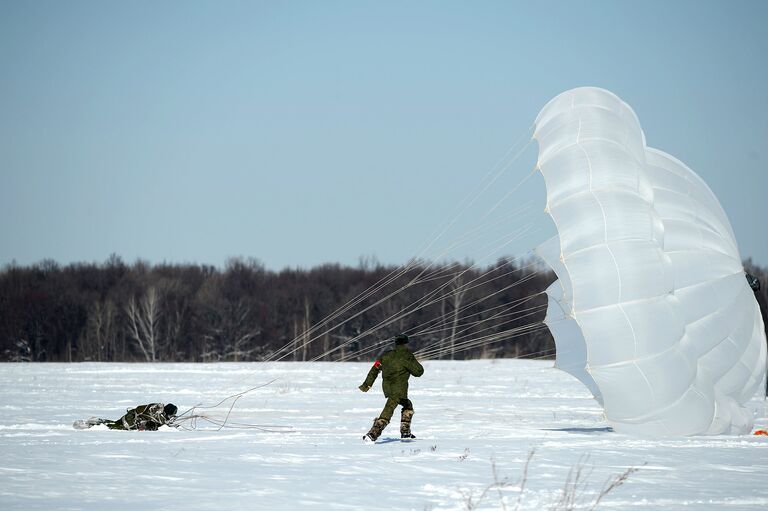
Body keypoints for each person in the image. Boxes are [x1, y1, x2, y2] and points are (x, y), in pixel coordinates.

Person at [359, 334, 424, 442]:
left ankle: (405, 433)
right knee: (388, 409)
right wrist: (409, 362)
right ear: (406, 343)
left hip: (388, 388)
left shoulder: (385, 355)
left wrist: (367, 385)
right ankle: (372, 434)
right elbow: (418, 372)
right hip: (398, 389)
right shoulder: (407, 356)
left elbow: (374, 369)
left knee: (408, 405)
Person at [74, 403, 178, 430]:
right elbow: (157, 420)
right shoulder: (156, 409)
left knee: (115, 424)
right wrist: (166, 422)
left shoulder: (160, 414)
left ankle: (99, 421)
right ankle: (89, 426)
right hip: (131, 421)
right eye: (171, 415)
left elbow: (156, 423)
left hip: (132, 418)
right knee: (113, 428)